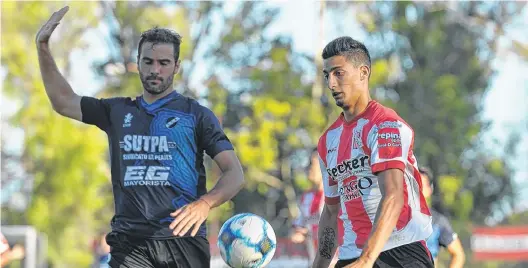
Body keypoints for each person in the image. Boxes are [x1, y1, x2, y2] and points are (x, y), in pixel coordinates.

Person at [36, 6, 245, 268]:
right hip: (130, 244)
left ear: (176, 66)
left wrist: (204, 204)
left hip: (184, 241)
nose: (155, 69)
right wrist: (43, 47)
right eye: (148, 62)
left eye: (163, 63)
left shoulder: (196, 115)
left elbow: (235, 174)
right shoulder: (116, 111)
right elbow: (63, 101)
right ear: (138, 63)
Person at [311, 36, 434, 268]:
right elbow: (330, 212)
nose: (331, 84)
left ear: (363, 72)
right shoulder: (327, 141)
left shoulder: (384, 124)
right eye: (327, 75)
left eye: (339, 73)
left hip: (400, 253)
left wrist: (367, 260)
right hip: (351, 256)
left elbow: (394, 195)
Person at [419, 167, 465, 268]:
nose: (417, 189)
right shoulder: (395, 219)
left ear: (429, 190)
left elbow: (458, 254)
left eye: (421, 184)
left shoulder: (438, 222)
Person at [290, 149, 325, 261]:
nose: (309, 168)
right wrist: (298, 234)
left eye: (313, 164)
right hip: (314, 261)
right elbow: (297, 228)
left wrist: (309, 232)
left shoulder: (337, 195)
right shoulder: (306, 197)